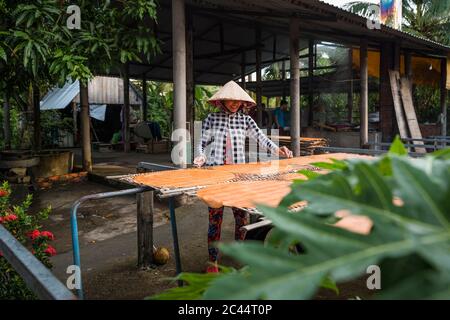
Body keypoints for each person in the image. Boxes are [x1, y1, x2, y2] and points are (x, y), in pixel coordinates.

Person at [193, 80, 293, 273]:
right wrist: (200, 155)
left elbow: (262, 139)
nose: (235, 104)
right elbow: (201, 143)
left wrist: (278, 149)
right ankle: (212, 261)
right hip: (217, 177)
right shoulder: (212, 119)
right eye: (231, 100)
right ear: (223, 100)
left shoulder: (245, 120)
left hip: (238, 177)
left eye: (238, 101)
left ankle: (241, 252)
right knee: (215, 219)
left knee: (242, 218)